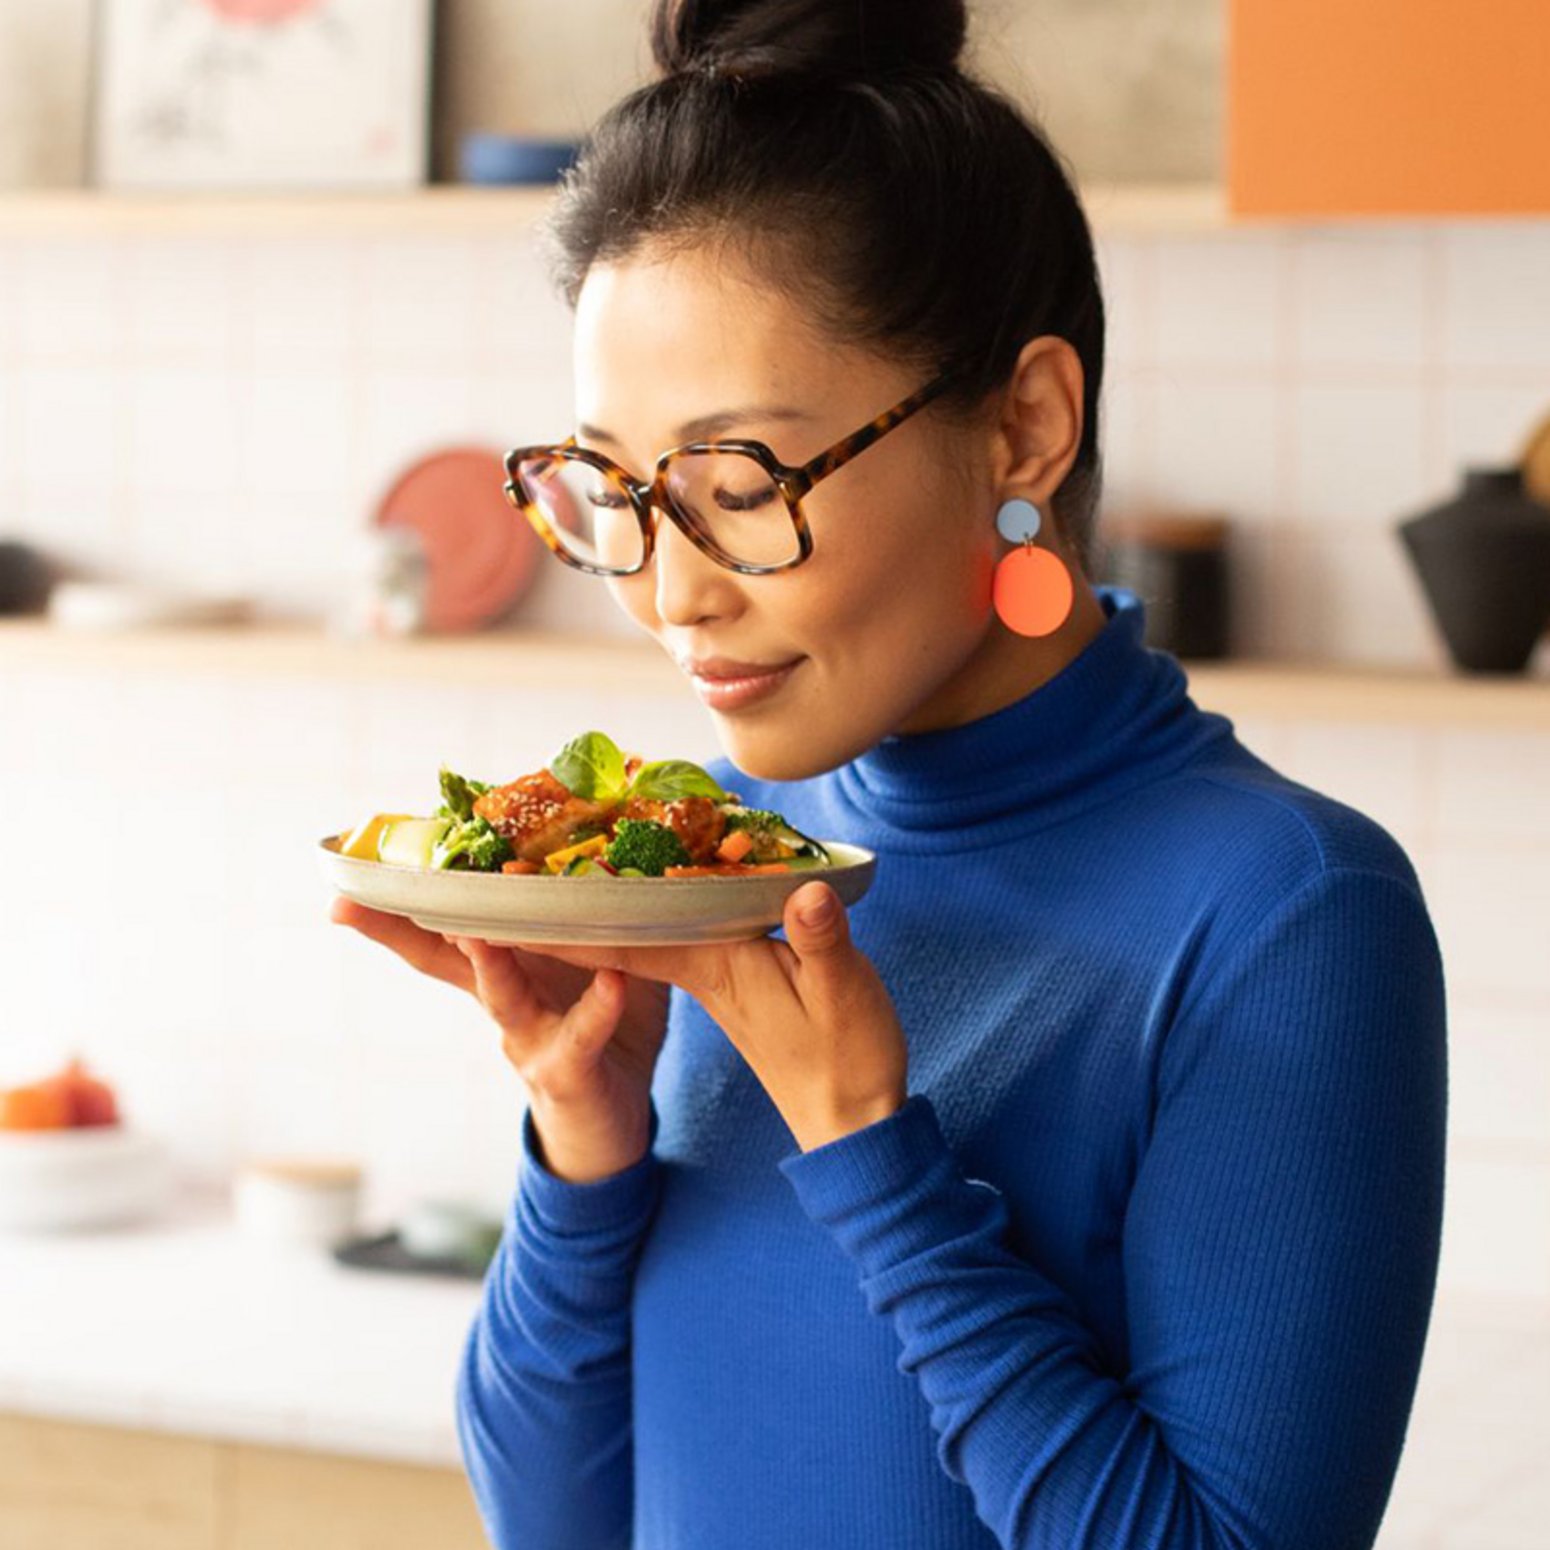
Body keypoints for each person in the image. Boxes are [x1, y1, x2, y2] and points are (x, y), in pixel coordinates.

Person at [330, 1, 1448, 1545]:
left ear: (1024, 427)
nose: (668, 589)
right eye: (612, 491)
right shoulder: (716, 856)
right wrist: (581, 1153)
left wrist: (872, 1151)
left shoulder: (1282, 915)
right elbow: (555, 1524)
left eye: (736, 484)